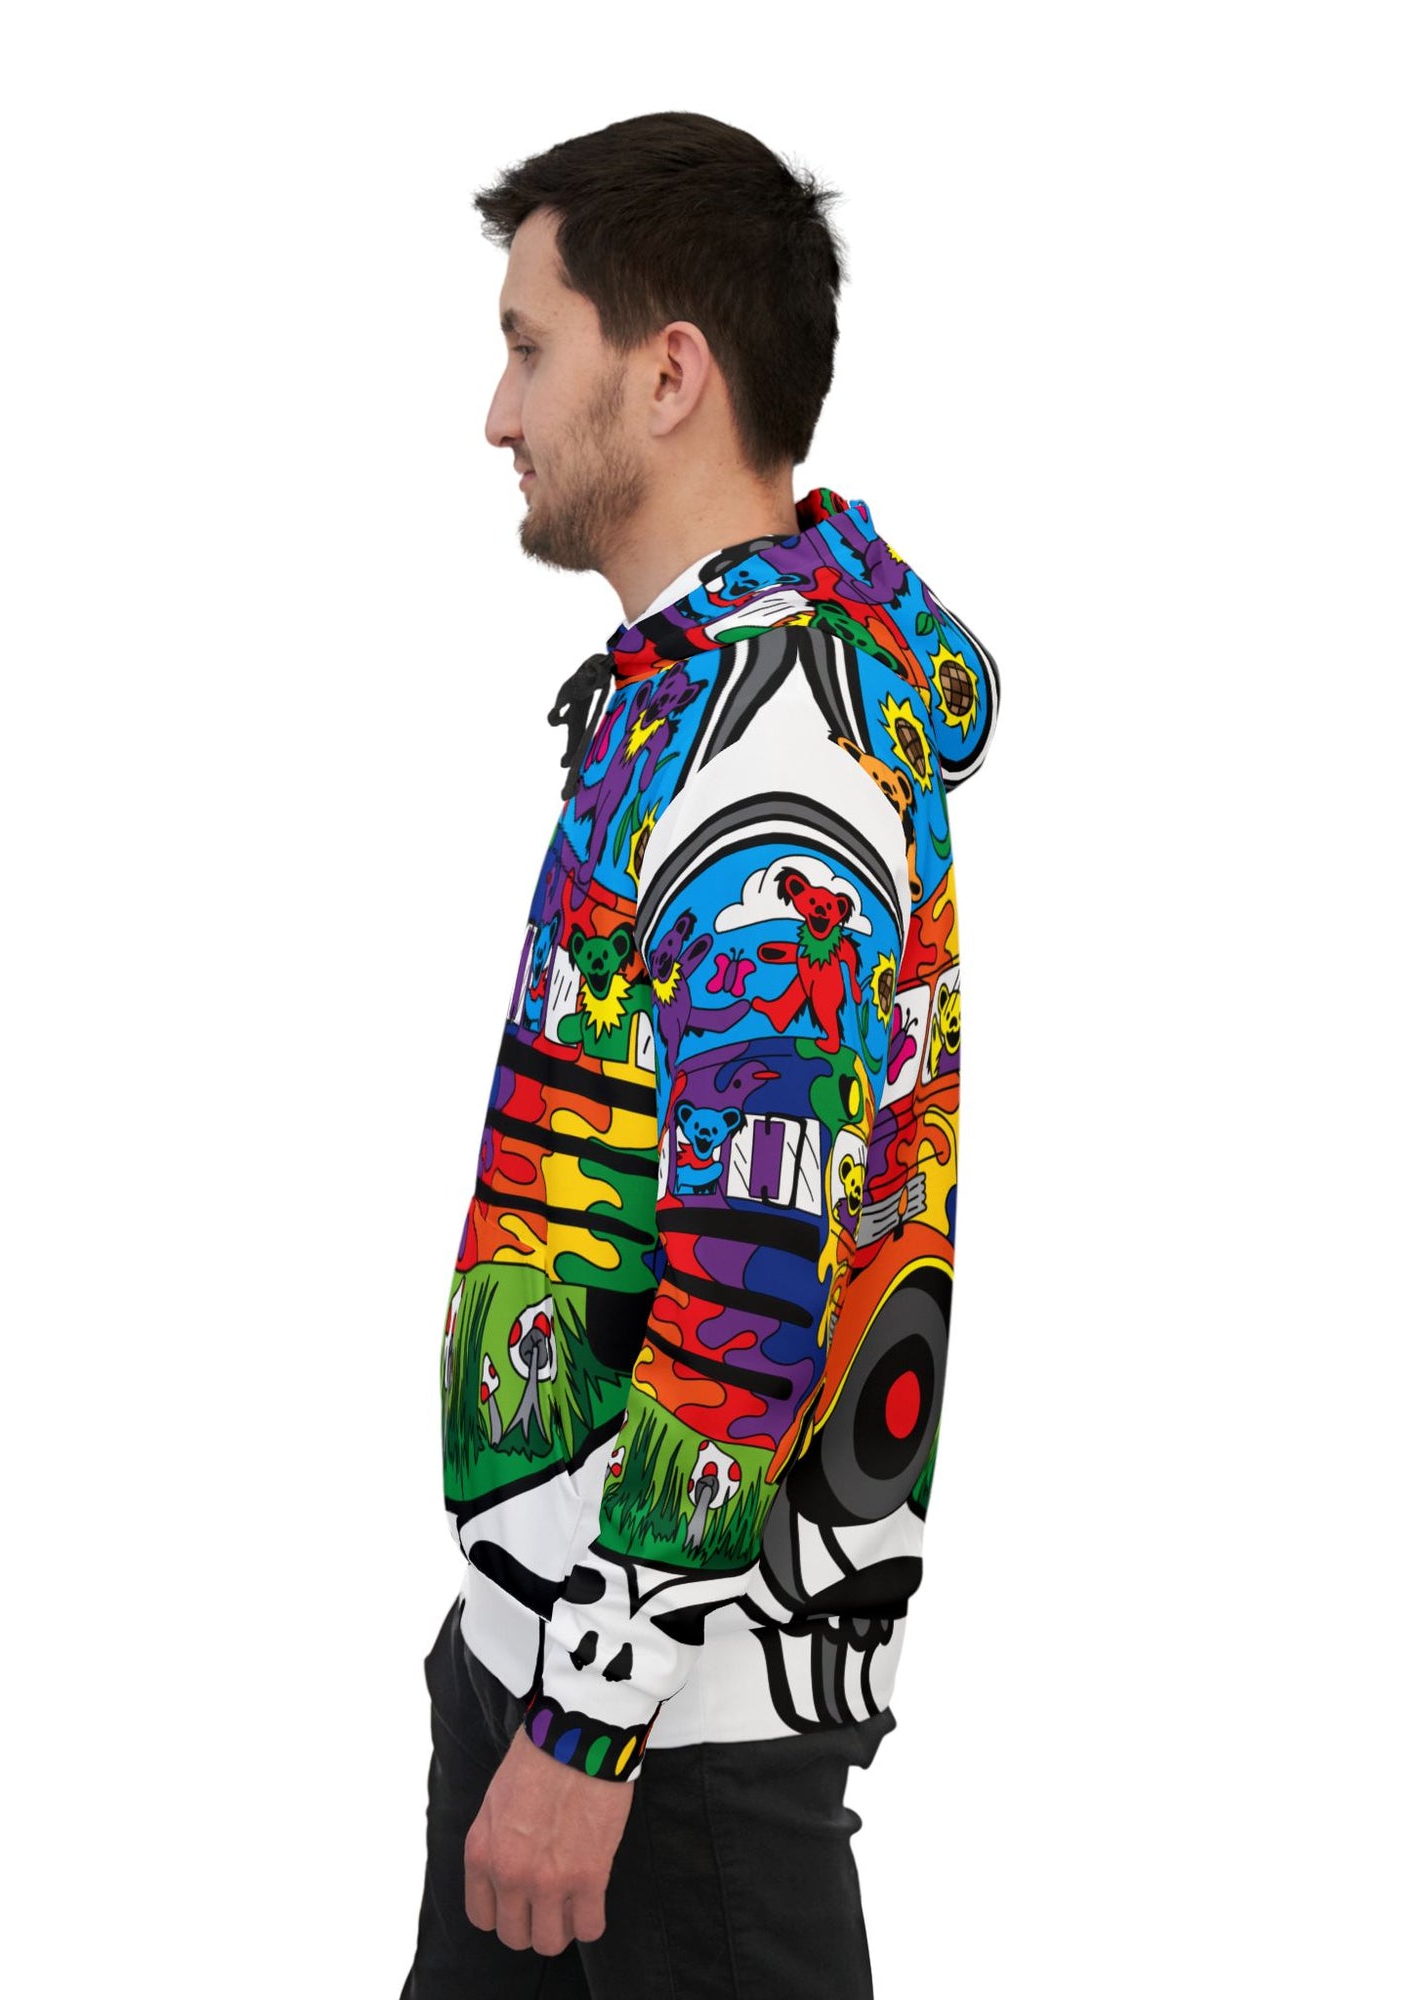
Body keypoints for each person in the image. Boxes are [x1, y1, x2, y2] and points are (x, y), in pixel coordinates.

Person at [402, 110, 1000, 1998]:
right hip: (556, 1659)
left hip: (670, 1744)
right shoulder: (697, 689)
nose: (497, 415)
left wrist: (587, 1732)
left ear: (669, 377)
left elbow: (753, 1288)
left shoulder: (774, 767)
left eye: (530, 348)